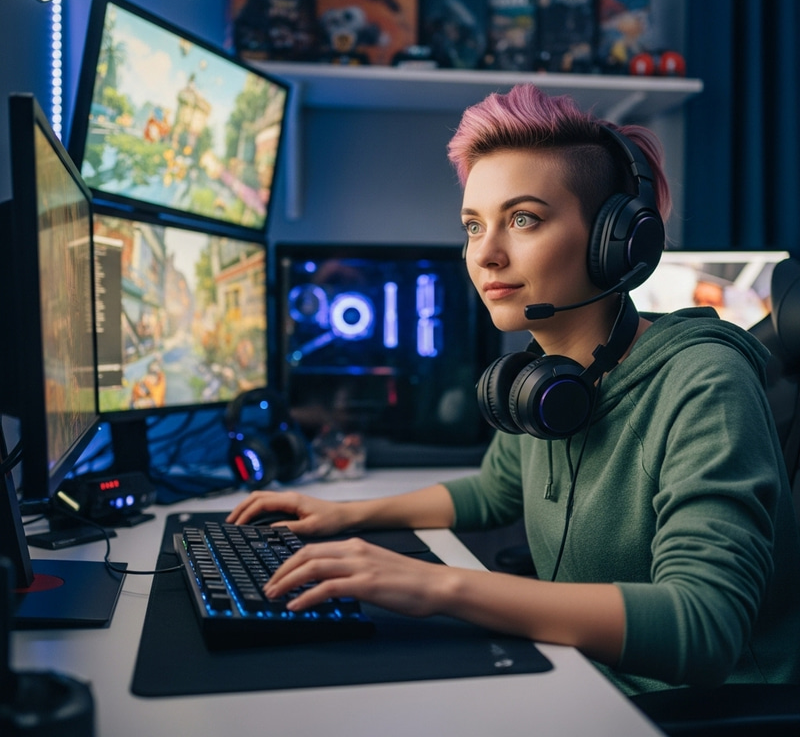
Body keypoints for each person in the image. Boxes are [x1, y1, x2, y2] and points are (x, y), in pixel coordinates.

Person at [227, 84, 800, 695]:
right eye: (474, 226)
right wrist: (345, 516)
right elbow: (498, 491)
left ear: (618, 241)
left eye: (523, 219)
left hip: (696, 711)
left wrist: (436, 586)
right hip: (584, 679)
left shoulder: (704, 379)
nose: (486, 255)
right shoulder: (543, 382)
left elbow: (704, 626)